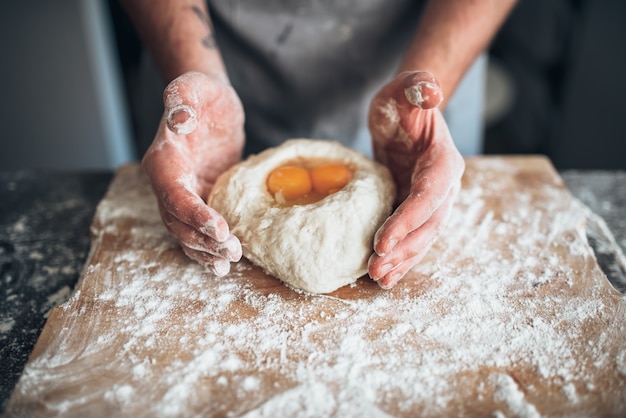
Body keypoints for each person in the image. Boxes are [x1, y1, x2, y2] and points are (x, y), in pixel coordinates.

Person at [120, 0, 517, 289]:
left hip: (427, 46)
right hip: (213, 49)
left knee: (423, 182)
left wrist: (423, 95)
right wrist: (195, 73)